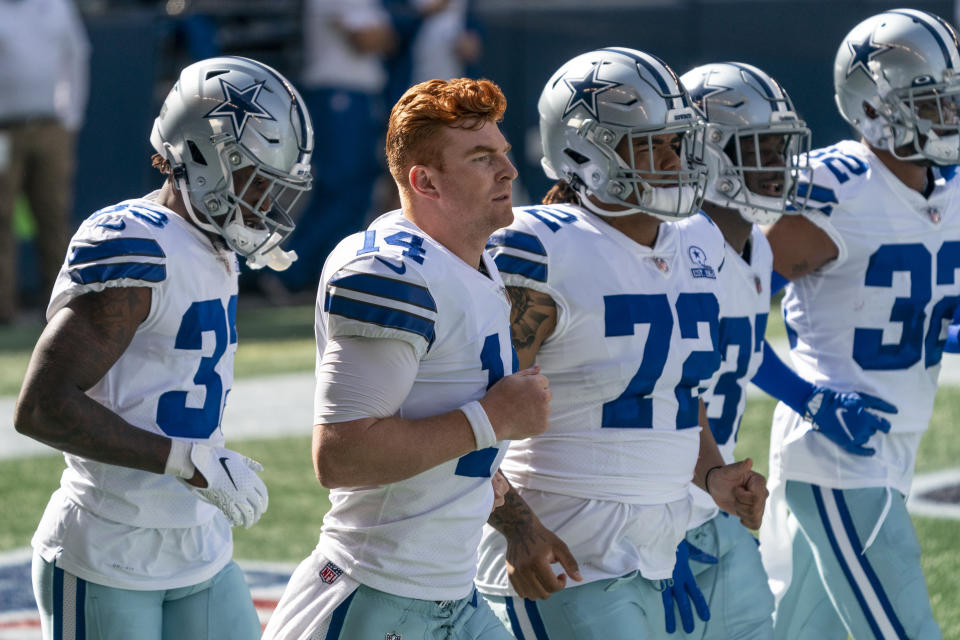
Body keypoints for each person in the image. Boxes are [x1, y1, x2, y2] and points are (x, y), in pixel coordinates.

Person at [13, 56, 314, 639]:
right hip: (110, 548)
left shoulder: (212, 240)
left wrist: (196, 465)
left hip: (198, 541)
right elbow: (42, 407)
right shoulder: (135, 244)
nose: (265, 201)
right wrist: (186, 460)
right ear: (200, 158)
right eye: (253, 178)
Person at [475, 47, 768, 639]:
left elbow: (679, 392)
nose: (671, 159)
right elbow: (473, 413)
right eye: (648, 144)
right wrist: (516, 525)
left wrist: (711, 475)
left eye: (677, 142)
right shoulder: (537, 247)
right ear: (585, 149)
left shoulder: (698, 240)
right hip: (564, 545)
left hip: (655, 543)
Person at [263, 77, 551, 640]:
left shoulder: (475, 262)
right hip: (374, 597)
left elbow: (455, 455)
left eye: (504, 154)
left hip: (451, 594)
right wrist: (493, 418)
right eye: (481, 157)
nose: (508, 172)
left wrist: (520, 526)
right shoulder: (388, 274)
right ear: (425, 181)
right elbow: (342, 457)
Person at [662, 61, 897, 639]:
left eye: (780, 147)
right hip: (652, 499)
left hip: (708, 492)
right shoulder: (673, 247)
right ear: (704, 152)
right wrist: (655, 530)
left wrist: (809, 399)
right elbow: (658, 385)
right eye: (756, 148)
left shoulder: (755, 248)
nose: (776, 167)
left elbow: (736, 348)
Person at [757, 9, 960, 639]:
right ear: (874, 108)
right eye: (931, 103)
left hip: (895, 442)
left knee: (795, 631)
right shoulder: (833, 189)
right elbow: (720, 315)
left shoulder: (948, 187)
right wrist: (807, 397)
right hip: (837, 455)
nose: (948, 117)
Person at [271, 0, 397, 297]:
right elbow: (367, 40)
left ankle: (334, 271)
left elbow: (388, 40)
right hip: (337, 92)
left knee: (358, 187)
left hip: (359, 94)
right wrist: (382, 34)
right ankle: (292, 273)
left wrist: (383, 35)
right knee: (341, 184)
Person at [0, 0, 90, 323]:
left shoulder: (56, 6)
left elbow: (76, 54)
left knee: (53, 216)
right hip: (3, 129)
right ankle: (3, 312)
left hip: (50, 125)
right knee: (1, 218)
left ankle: (61, 307)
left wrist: (71, 117)